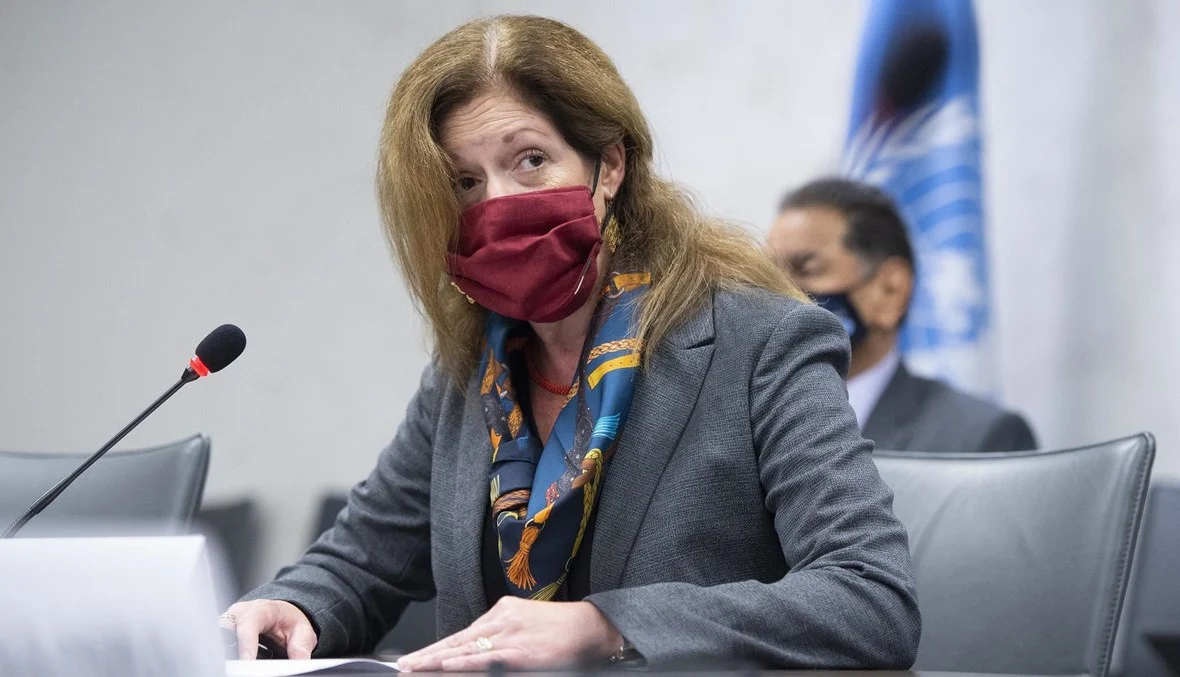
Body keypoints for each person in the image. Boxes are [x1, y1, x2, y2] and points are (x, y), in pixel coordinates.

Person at [222, 17, 920, 671]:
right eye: (464, 181)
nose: (498, 203)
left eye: (530, 160)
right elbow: (362, 561)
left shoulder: (761, 341)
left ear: (608, 167)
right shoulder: (470, 372)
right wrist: (295, 604)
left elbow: (870, 596)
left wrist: (607, 627)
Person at [767, 177, 1037, 453]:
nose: (777, 292)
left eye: (806, 270)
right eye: (768, 275)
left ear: (890, 291)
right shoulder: (755, 425)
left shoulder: (980, 438)